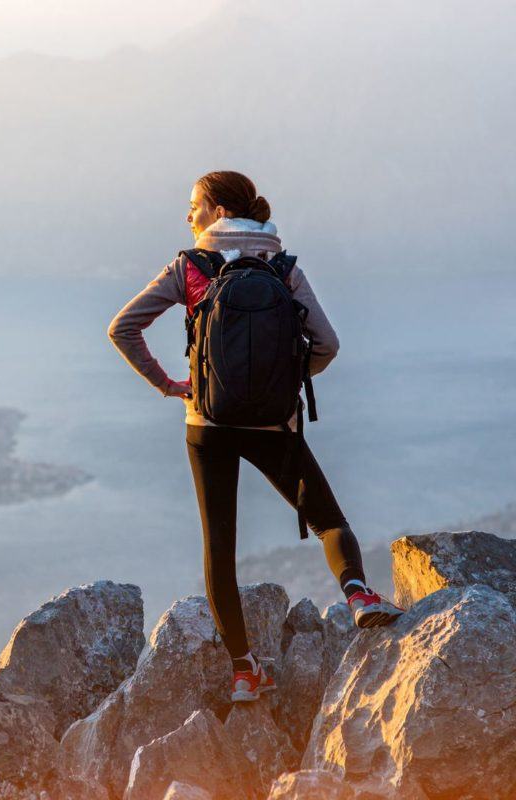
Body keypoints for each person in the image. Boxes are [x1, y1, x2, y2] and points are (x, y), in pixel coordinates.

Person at [107, 170, 403, 703]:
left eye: (194, 205)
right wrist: (282, 378)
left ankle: (244, 672)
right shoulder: (282, 267)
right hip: (274, 424)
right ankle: (358, 594)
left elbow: (123, 328)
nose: (188, 215)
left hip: (207, 424)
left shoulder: (190, 266)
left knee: (219, 548)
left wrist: (173, 385)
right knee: (327, 519)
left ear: (219, 212)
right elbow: (328, 344)